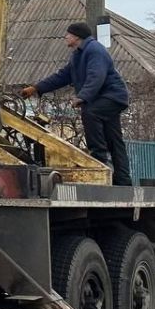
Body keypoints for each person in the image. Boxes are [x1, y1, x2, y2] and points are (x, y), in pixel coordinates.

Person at [21, 22, 131, 186]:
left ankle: (98, 160)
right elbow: (63, 76)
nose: (65, 37)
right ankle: (123, 181)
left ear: (77, 36)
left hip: (111, 96)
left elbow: (96, 76)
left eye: (68, 34)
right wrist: (37, 88)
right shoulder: (78, 55)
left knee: (91, 112)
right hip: (104, 98)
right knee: (114, 140)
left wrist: (82, 97)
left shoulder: (95, 50)